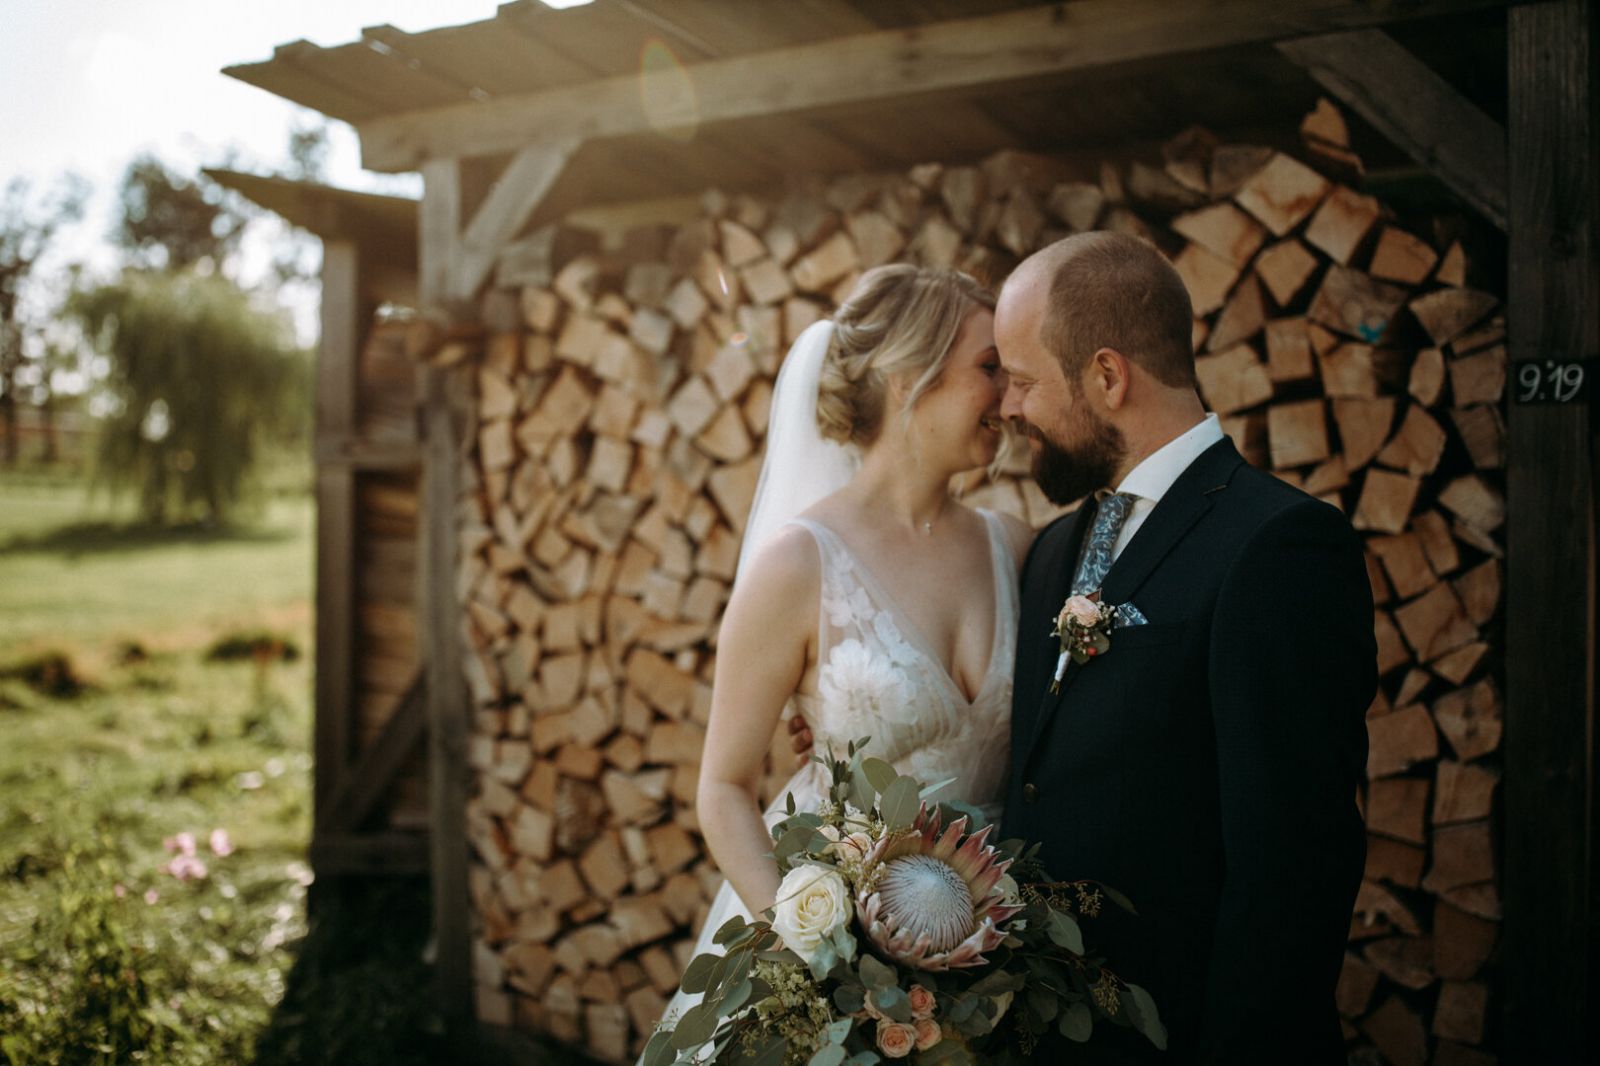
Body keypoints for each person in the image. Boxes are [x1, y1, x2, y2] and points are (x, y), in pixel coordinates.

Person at [994, 231, 1374, 1063]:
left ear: (1106, 375)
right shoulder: (1054, 549)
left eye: (1022, 380)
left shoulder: (1278, 546)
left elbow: (1294, 871)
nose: (1008, 406)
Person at [656, 264, 1031, 1038]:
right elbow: (723, 788)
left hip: (1000, 957)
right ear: (906, 376)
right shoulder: (799, 568)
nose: (1010, 394)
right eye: (988, 367)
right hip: (845, 972)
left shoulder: (1017, 548)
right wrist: (819, 961)